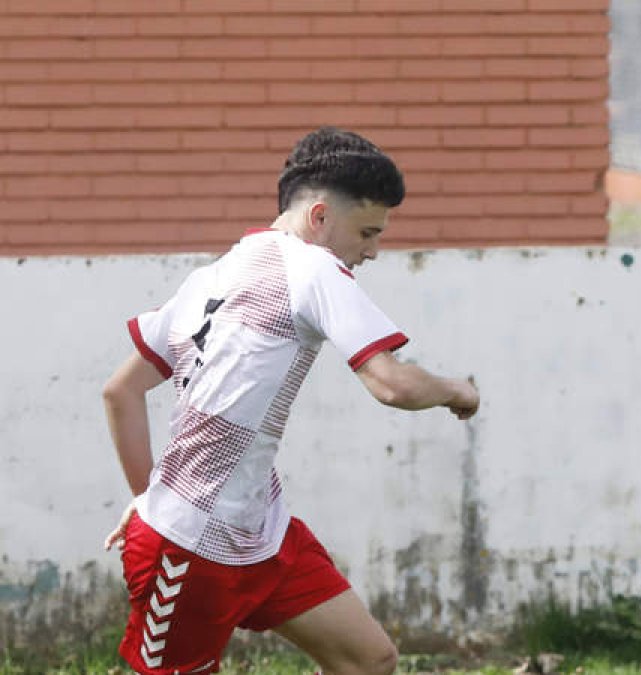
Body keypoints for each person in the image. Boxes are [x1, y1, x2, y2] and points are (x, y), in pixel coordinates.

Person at [101, 126, 479, 675]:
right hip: (186, 547)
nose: (372, 251)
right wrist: (457, 390)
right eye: (367, 232)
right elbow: (391, 384)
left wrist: (146, 496)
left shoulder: (213, 274)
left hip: (263, 535)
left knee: (368, 659)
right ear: (320, 217)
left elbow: (122, 391)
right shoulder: (315, 267)